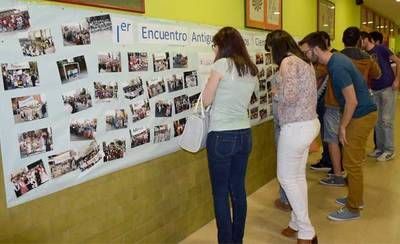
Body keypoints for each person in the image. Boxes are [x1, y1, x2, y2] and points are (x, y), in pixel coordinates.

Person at [300, 32, 377, 221]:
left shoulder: (337, 66)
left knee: (352, 163)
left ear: (316, 49)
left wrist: (342, 126)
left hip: (361, 115)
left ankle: (353, 208)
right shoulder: (337, 59)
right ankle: (355, 198)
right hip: (360, 114)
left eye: (306, 52)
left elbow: (352, 101)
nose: (306, 57)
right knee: (353, 160)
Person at [202, 26, 258, 244]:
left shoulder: (221, 65)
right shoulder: (251, 69)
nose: (214, 49)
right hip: (244, 134)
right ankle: (237, 240)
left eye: (215, 45)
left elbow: (206, 100)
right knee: (238, 190)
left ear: (221, 45)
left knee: (220, 194)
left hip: (221, 136)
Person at [266, 30, 319, 244]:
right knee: (297, 177)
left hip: (295, 127)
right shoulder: (305, 62)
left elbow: (289, 96)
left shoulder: (287, 63)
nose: (270, 55)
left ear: (276, 48)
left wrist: (275, 91)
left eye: (270, 50)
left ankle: (306, 231)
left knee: (286, 178)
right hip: (309, 124)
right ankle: (296, 222)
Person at [314, 27, 381, 186]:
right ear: (360, 40)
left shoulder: (335, 58)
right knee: (351, 143)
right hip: (355, 107)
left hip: (334, 103)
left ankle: (337, 175)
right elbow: (378, 74)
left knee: (332, 140)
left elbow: (318, 74)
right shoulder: (367, 58)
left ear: (343, 40)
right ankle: (352, 178)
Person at [360, 31, 400, 161]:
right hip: (374, 90)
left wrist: (397, 80)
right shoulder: (365, 54)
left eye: (361, 40)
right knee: (377, 121)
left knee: (386, 120)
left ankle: (389, 150)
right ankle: (380, 149)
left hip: (387, 88)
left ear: (367, 39)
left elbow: (398, 61)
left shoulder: (381, 49)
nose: (360, 43)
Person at [309, 31, 336, 172]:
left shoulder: (331, 59)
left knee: (329, 133)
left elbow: (318, 74)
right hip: (322, 100)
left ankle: (331, 162)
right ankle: (328, 159)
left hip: (328, 102)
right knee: (326, 133)